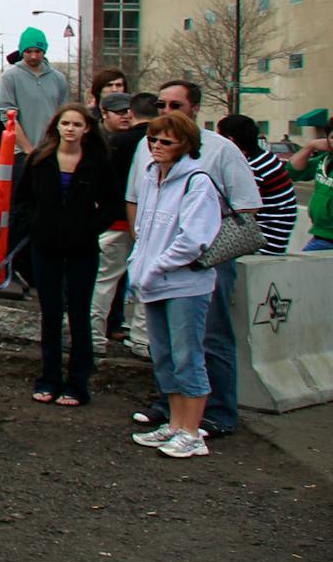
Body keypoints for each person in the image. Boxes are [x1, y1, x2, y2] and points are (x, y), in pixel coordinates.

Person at [124, 81, 260, 440]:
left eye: (176, 104)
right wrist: (144, 250)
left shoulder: (220, 150)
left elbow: (246, 204)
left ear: (194, 109)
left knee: (207, 339)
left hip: (204, 262)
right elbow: (136, 196)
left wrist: (206, 248)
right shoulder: (146, 147)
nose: (167, 112)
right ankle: (171, 414)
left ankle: (216, 414)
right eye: (161, 104)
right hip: (156, 262)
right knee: (165, 346)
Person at [127, 113, 224, 459]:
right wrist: (139, 266)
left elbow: (193, 239)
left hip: (185, 284)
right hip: (154, 281)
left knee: (188, 356)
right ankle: (175, 422)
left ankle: (192, 431)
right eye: (153, 140)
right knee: (164, 355)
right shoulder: (152, 177)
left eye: (165, 141)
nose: (156, 147)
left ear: (185, 145)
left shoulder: (197, 182)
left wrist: (155, 266)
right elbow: (145, 229)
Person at [17, 103, 116, 407]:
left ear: (87, 129)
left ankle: (77, 382)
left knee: (79, 315)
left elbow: (112, 205)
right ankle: (48, 378)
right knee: (49, 314)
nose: (70, 129)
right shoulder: (39, 159)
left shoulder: (98, 162)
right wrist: (36, 226)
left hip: (82, 248)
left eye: (77, 124)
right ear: (56, 127)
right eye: (65, 123)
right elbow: (23, 200)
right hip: (45, 246)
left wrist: (88, 229)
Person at [91, 92, 147, 351]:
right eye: (118, 111)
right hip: (145, 223)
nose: (124, 115)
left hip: (116, 220)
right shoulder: (164, 141)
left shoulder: (119, 143)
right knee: (145, 281)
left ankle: (94, 336)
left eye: (127, 111)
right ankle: (143, 339)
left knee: (104, 280)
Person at [218, 114, 296, 256]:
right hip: (272, 235)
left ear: (230, 140)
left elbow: (245, 209)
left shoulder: (251, 167)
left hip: (263, 242)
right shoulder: (266, 157)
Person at [1, 28, 69, 160]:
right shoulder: (9, 77)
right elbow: (8, 116)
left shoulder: (59, 78)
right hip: (20, 153)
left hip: (52, 151)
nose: (33, 56)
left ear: (44, 51)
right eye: (28, 51)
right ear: (22, 52)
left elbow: (63, 114)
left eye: (37, 51)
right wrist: (28, 149)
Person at [287, 109, 332, 251]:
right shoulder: (325, 159)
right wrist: (309, 146)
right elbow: (293, 171)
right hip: (321, 234)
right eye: (332, 137)